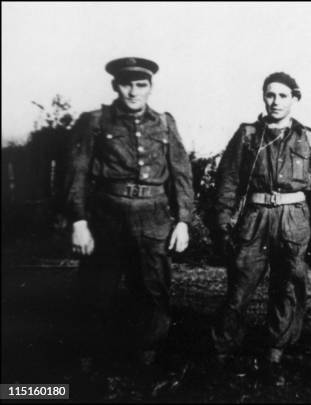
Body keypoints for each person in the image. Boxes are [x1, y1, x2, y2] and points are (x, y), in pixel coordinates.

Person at [65, 57, 194, 369]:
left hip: (154, 217)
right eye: (127, 84)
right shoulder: (95, 121)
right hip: (107, 215)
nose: (134, 92)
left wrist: (184, 221)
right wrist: (79, 221)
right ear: (115, 86)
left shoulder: (164, 123)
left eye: (141, 85)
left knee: (153, 289)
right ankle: (88, 359)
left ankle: (146, 356)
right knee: (96, 287)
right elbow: (76, 173)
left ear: (150, 87)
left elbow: (182, 175)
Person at [212, 72, 311, 386]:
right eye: (270, 95)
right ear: (264, 97)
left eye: (283, 95)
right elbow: (228, 181)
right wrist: (222, 223)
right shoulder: (248, 135)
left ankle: (275, 355)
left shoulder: (307, 137)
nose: (275, 101)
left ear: (295, 99)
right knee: (239, 286)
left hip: (294, 220)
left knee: (288, 288)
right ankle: (222, 352)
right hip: (255, 218)